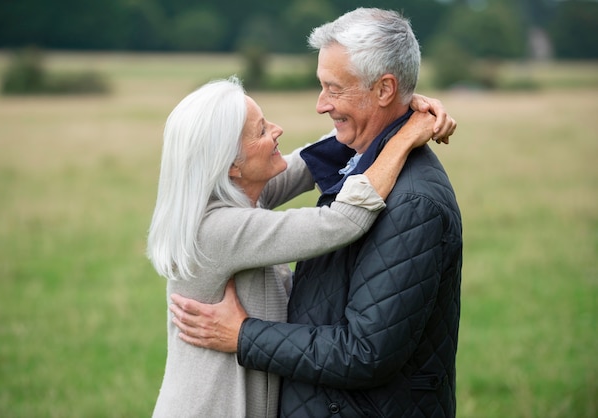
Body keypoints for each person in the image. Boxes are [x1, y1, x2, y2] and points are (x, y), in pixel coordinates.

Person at [171, 7, 462, 418]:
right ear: (230, 165)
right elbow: (340, 219)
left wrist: (402, 106)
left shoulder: (413, 201)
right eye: (260, 131)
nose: (318, 106)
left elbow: (309, 161)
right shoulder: (221, 224)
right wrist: (401, 127)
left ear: (382, 88)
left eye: (333, 88)